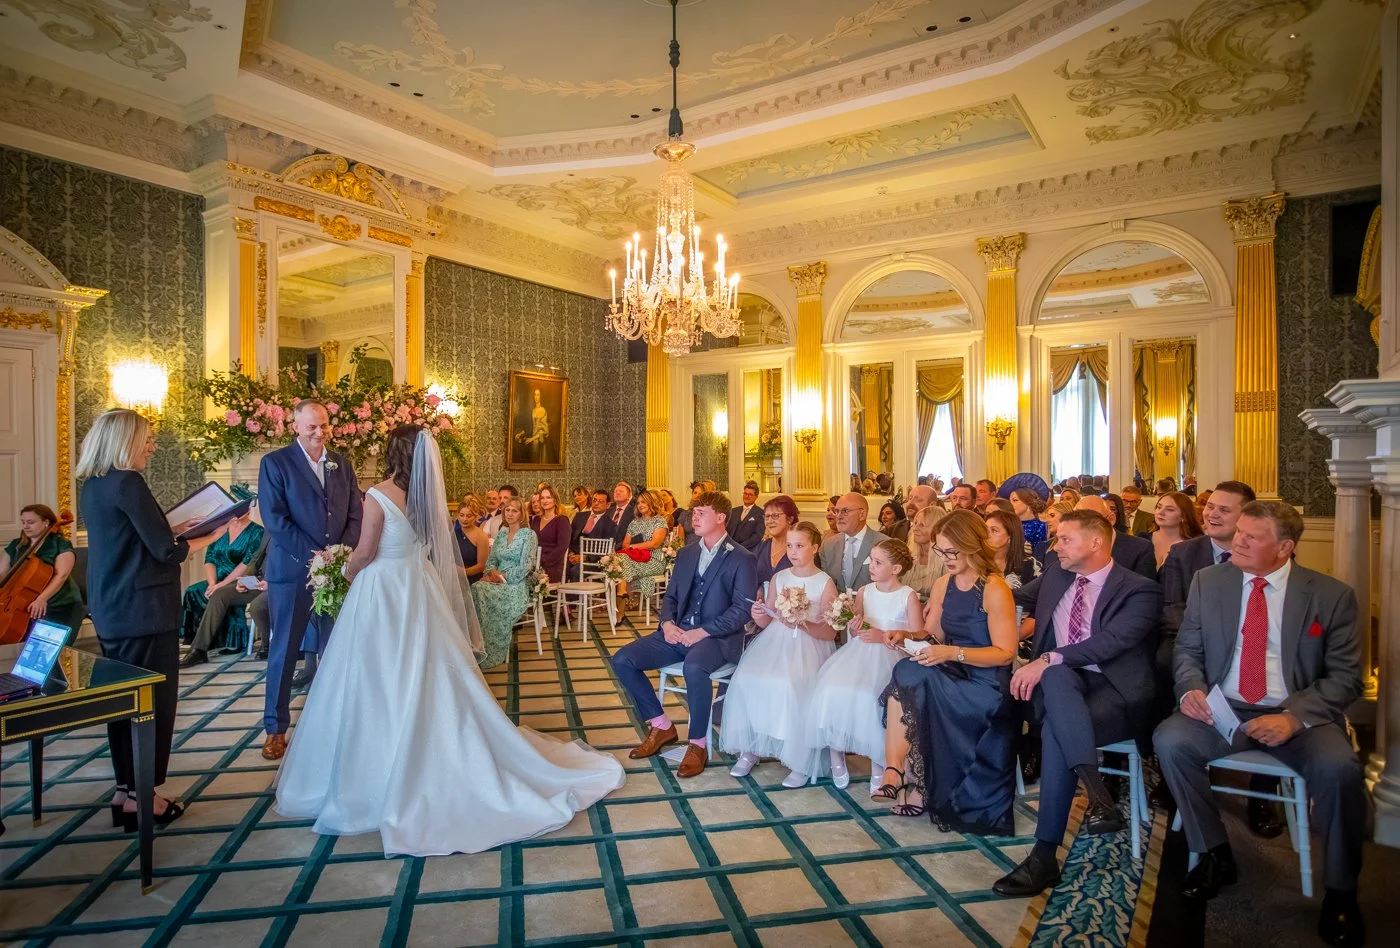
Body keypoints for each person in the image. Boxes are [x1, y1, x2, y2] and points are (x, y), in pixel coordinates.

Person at [275, 426, 622, 854]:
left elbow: (364, 554)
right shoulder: (428, 500)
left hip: (383, 590)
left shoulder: (379, 495)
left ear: (392, 452)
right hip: (417, 588)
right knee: (422, 666)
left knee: (377, 673)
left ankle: (375, 764)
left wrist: (341, 574)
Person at [1154, 502, 1366, 947]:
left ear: (1285, 547)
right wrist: (1190, 690)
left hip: (1298, 713)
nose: (1238, 541)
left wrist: (1293, 718)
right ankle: (1215, 852)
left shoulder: (1329, 595)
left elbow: (1347, 679)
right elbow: (1187, 651)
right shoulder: (1209, 582)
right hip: (1224, 708)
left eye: (1253, 537)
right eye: (1239, 532)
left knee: (1340, 769)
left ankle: (1342, 892)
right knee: (1170, 740)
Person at [992, 511, 1162, 897]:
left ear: (1096, 543)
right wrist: (963, 576)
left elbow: (1110, 643)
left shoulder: (1139, 590)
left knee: (1056, 721)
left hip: (1114, 690)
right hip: (1062, 683)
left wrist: (1048, 658)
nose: (1055, 546)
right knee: (1056, 682)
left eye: (1065, 539)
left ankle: (1044, 855)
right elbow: (1012, 595)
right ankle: (1096, 794)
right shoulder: (1057, 575)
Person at [79, 409, 227, 829]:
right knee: (153, 708)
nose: (152, 445)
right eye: (146, 439)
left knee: (122, 705)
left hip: (113, 610)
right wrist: (211, 533)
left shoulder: (94, 485)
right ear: (125, 440)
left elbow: (137, 540)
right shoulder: (128, 482)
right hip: (144, 611)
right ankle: (148, 797)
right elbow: (166, 550)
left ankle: (126, 791)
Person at [879, 511, 1018, 832]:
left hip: (987, 685)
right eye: (941, 552)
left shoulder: (994, 588)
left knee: (912, 678)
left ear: (972, 546)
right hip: (953, 672)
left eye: (952, 552)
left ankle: (914, 784)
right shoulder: (944, 584)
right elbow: (932, 635)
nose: (946, 559)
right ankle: (895, 771)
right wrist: (905, 636)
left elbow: (1005, 653)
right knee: (907, 670)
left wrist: (952, 653)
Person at [1156, 481, 1281, 834]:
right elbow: (1170, 609)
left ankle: (1262, 794)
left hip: (1251, 642)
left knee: (1270, 678)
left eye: (1224, 510)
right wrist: (1213, 637)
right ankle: (1175, 771)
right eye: (1210, 506)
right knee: (1167, 666)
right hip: (1188, 637)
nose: (1211, 514)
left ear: (1248, 518)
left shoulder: (1269, 554)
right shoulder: (1185, 553)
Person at [611, 491, 756, 778]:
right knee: (623, 659)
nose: (694, 517)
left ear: (721, 517)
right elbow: (672, 597)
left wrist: (702, 632)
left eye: (701, 512)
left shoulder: (742, 558)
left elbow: (742, 610)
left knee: (693, 667)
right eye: (694, 512)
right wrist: (666, 624)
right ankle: (662, 725)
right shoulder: (687, 553)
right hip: (678, 633)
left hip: (717, 639)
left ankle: (697, 744)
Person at [257, 400, 363, 761]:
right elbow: (275, 519)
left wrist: (340, 553)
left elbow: (355, 513)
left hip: (336, 571)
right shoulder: (275, 464)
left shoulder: (341, 463)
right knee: (284, 650)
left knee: (334, 650)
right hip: (292, 572)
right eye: (311, 427)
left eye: (324, 425)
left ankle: (330, 723)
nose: (320, 433)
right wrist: (314, 556)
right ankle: (275, 729)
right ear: (295, 427)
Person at [723, 522, 838, 786]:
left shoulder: (824, 582)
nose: (793, 551)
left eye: (800, 546)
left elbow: (831, 632)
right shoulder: (780, 577)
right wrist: (759, 614)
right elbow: (769, 622)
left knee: (789, 685)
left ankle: (799, 760)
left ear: (815, 547)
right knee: (747, 678)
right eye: (789, 545)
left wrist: (803, 622)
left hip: (810, 645)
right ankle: (750, 748)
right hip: (775, 643)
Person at [808, 539, 918, 796]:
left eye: (878, 562)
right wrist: (855, 627)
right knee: (832, 688)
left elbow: (916, 637)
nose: (871, 565)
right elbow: (858, 630)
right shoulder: (866, 591)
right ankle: (836, 754)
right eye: (872, 559)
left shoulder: (907, 596)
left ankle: (879, 761)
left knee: (873, 698)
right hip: (858, 655)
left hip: (892, 657)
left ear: (896, 569)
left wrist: (885, 636)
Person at [181, 497, 270, 667]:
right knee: (212, 592)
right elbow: (252, 562)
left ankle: (256, 644)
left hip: (269, 584)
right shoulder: (265, 533)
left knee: (221, 591)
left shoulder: (259, 531)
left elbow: (246, 562)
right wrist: (237, 581)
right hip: (250, 582)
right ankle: (198, 650)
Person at [470, 498, 537, 668]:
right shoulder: (501, 533)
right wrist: (492, 572)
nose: (510, 514)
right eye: (507, 510)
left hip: (515, 584)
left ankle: (492, 649)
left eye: (514, 510)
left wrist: (502, 577)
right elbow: (491, 560)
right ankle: (479, 645)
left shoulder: (528, 535)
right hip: (496, 580)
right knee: (477, 587)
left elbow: (526, 566)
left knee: (480, 589)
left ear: (522, 513)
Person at [1, 503, 84, 633]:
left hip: (58, 603)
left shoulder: (60, 543)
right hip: (24, 604)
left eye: (31, 522)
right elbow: (2, 573)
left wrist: (41, 599)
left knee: (49, 650)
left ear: (46, 522)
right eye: (23, 522)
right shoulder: (16, 545)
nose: (25, 526)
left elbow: (61, 575)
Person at [1077, 495, 1156, 580]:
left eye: (1089, 520)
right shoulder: (1068, 546)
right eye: (1076, 519)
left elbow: (1144, 589)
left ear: (1111, 519)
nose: (1081, 526)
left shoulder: (1141, 549)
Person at [613, 490, 669, 598]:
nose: (640, 505)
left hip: (654, 560)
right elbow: (625, 544)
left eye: (643, 502)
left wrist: (633, 546)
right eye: (638, 503)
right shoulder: (634, 522)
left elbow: (654, 544)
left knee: (619, 565)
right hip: (634, 558)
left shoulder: (659, 521)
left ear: (650, 503)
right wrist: (631, 547)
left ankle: (622, 595)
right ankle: (622, 599)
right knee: (620, 563)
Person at [820, 493, 880, 594]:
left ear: (862, 514)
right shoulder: (828, 546)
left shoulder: (883, 543)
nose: (838, 516)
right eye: (837, 511)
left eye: (845, 511)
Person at [985, 509, 1041, 589]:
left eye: (994, 530)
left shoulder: (1029, 566)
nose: (987, 535)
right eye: (985, 529)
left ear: (1010, 536)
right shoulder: (976, 563)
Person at [902, 505, 948, 602]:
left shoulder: (947, 561)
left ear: (936, 529)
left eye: (921, 525)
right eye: (915, 523)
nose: (915, 529)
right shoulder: (908, 558)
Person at [753, 495, 798, 591]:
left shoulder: (800, 548)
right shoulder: (761, 548)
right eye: (767, 516)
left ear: (790, 519)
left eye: (775, 516)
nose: (769, 521)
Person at [1149, 491, 1201, 567]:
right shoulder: (1143, 539)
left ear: (1184, 516)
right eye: (1159, 507)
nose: (1161, 512)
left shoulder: (1195, 545)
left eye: (1169, 510)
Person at [532, 484, 570, 583]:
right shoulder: (536, 519)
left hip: (552, 565)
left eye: (548, 497)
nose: (545, 501)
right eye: (542, 498)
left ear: (555, 499)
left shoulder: (562, 520)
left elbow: (562, 547)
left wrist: (543, 561)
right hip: (534, 562)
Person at [455, 497, 490, 584]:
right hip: (454, 578)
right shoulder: (453, 534)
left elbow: (481, 566)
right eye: (462, 515)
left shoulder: (481, 536)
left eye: (469, 516)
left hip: (473, 580)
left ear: (476, 516)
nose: (464, 519)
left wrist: (463, 572)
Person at [726, 481, 765, 551]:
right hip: (730, 548)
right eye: (745, 493)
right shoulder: (733, 511)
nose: (747, 496)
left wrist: (741, 547)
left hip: (749, 550)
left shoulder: (760, 513)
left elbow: (758, 536)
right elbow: (726, 530)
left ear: (756, 497)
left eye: (750, 494)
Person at [1010, 488, 1049, 560]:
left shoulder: (1043, 526)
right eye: (1010, 501)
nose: (1011, 504)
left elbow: (1042, 555)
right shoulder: (1010, 526)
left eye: (1015, 500)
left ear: (1028, 503)